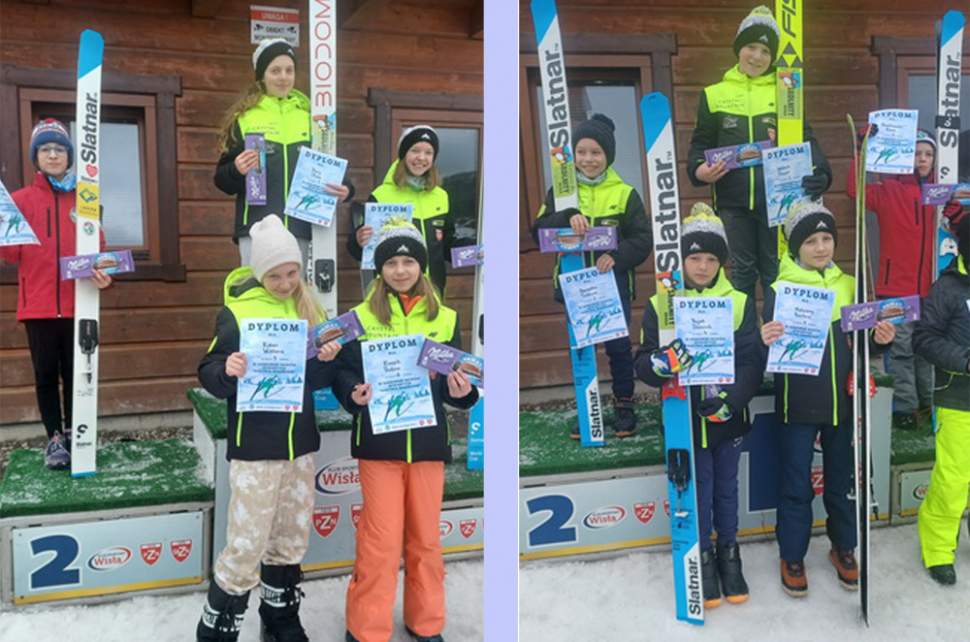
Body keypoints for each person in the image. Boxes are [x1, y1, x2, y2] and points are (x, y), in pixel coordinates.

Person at [195, 215, 344, 642]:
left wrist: (325, 360)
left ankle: (280, 618)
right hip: (256, 446)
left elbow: (313, 383)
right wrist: (227, 367)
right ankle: (217, 628)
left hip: (299, 445)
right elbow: (207, 371)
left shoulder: (309, 308)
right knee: (246, 543)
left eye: (292, 272)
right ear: (261, 273)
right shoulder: (238, 313)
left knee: (291, 537)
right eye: (275, 275)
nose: (284, 282)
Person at [336, 224, 478, 642]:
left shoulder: (445, 317)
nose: (400, 270)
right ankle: (367, 629)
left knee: (426, 541)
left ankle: (426, 623)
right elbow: (342, 371)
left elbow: (459, 382)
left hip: (429, 445)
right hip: (379, 446)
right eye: (392, 263)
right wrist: (352, 392)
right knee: (379, 545)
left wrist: (464, 391)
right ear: (380, 270)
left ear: (422, 266)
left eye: (409, 261)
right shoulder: (360, 318)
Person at [760, 201, 895, 598]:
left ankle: (844, 547)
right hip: (797, 404)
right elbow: (770, 345)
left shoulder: (851, 285)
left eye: (826, 239)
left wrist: (878, 337)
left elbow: (862, 341)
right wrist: (768, 335)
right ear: (795, 246)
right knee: (796, 483)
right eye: (811, 241)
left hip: (842, 403)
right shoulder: (778, 288)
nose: (820, 248)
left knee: (841, 481)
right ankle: (793, 554)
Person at [635, 204, 764, 608]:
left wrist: (731, 400)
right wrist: (661, 363)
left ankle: (729, 553)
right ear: (683, 260)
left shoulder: (739, 301)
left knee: (726, 489)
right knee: (697, 489)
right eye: (695, 258)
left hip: (727, 416)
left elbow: (751, 360)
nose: (703, 266)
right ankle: (701, 556)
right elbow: (643, 360)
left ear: (722, 261)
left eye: (711, 258)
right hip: (684, 419)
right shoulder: (663, 304)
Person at [687, 5, 832, 298]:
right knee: (741, 272)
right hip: (732, 201)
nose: (757, 56)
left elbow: (806, 138)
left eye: (766, 51)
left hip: (777, 201)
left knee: (774, 271)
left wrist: (823, 174)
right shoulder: (714, 94)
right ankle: (745, 341)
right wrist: (699, 170)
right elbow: (700, 144)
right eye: (751, 47)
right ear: (739, 49)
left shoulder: (786, 90)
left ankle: (773, 340)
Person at [531, 114, 653, 438]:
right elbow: (538, 232)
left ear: (607, 156)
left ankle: (624, 405)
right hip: (575, 288)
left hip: (613, 287)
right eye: (582, 152)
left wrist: (615, 257)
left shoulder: (625, 193)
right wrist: (567, 214)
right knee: (581, 348)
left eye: (596, 152)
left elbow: (642, 240)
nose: (588, 159)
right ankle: (588, 409)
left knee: (617, 347)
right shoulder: (561, 191)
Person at [0, 118, 111, 470]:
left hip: (81, 305)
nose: (52, 155)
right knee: (46, 374)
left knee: (77, 374)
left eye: (59, 149)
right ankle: (54, 439)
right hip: (39, 307)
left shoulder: (87, 199)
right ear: (36, 157)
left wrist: (104, 274)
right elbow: (10, 254)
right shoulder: (19, 201)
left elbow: (101, 250)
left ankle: (77, 434)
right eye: (45, 149)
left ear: (69, 156)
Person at [846, 128, 962, 429]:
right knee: (900, 351)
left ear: (935, 158)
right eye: (915, 152)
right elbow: (855, 190)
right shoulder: (888, 189)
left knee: (926, 349)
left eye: (927, 154)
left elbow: (959, 219)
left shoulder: (938, 192)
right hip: (895, 288)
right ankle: (905, 408)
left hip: (931, 288)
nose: (921, 159)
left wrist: (954, 208)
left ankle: (928, 403)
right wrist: (862, 149)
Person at [214, 38, 352, 265]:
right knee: (257, 296)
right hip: (256, 231)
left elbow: (331, 169)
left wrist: (346, 189)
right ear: (262, 75)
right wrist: (237, 169)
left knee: (296, 298)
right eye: (275, 70)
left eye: (289, 70)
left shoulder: (313, 119)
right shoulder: (245, 119)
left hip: (302, 228)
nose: (283, 77)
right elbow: (221, 179)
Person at [913, 206, 970, 586]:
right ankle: (937, 548)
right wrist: (966, 361)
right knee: (953, 479)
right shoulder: (947, 288)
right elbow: (923, 339)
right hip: (958, 399)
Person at [347, 125, 454, 296]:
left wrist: (476, 251)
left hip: (432, 292)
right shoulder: (381, 195)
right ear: (404, 154)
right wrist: (359, 240)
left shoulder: (441, 196)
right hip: (390, 293)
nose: (421, 157)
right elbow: (358, 251)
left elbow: (447, 245)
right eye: (415, 150)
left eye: (428, 152)